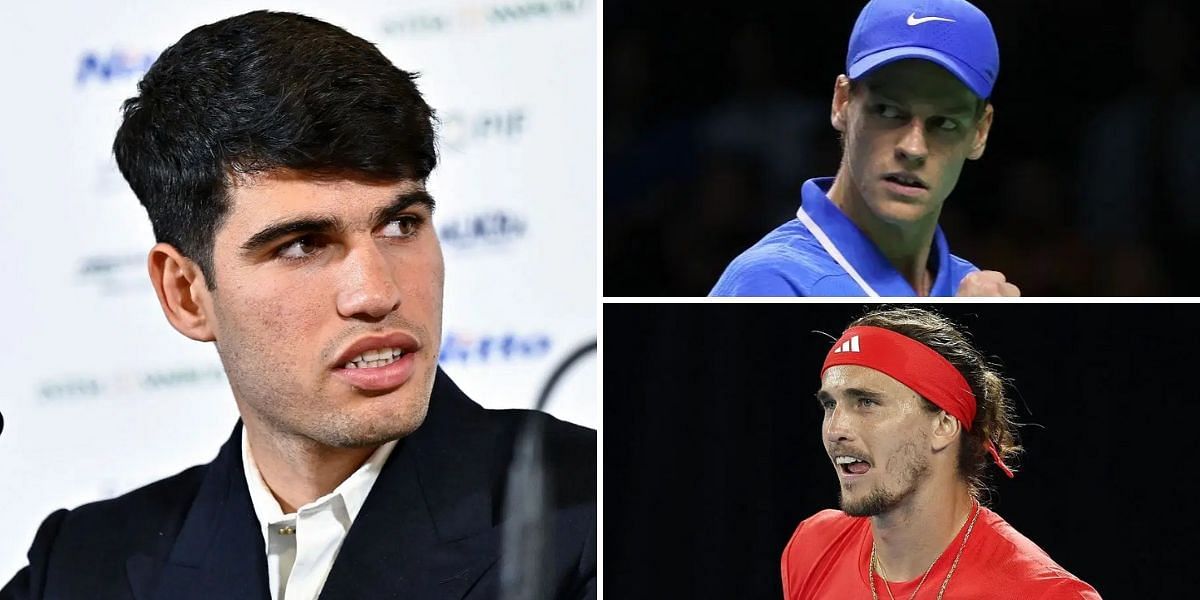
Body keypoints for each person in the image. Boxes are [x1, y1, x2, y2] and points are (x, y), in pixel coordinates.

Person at [1, 11, 595, 600]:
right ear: (185, 294)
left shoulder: (600, 514)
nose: (376, 293)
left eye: (400, 225)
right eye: (303, 245)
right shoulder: (81, 567)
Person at [782, 307, 1099, 599]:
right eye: (829, 404)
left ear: (944, 425)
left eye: (866, 402)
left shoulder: (1047, 594)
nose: (835, 429)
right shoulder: (812, 545)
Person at [710, 0, 1018, 297]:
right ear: (842, 102)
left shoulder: (975, 290)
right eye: (887, 110)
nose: (913, 148)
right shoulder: (768, 282)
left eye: (944, 123)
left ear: (980, 131)